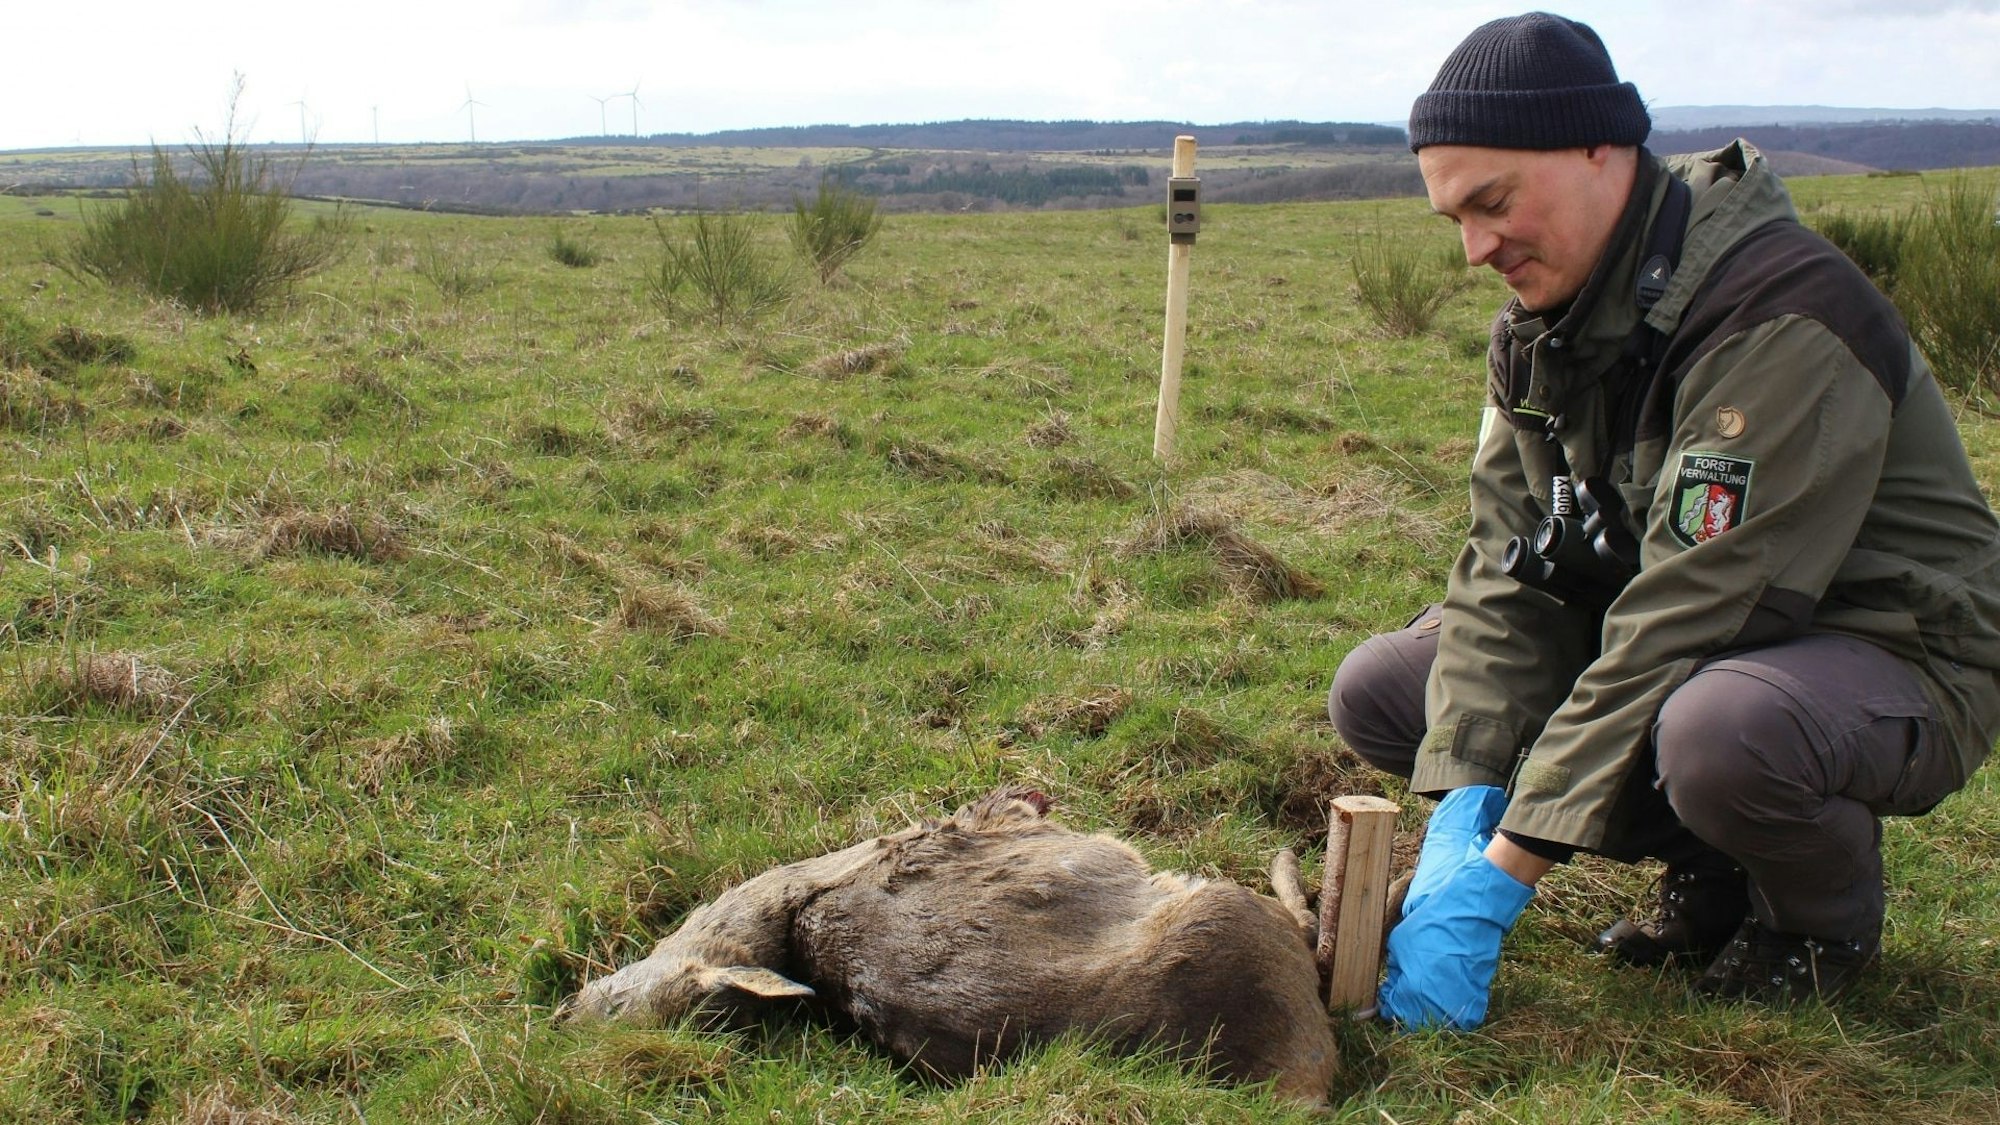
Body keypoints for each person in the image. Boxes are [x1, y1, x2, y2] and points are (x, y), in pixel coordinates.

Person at [1327, 11, 2000, 1030]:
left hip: (1889, 652)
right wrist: (1461, 796)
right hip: (1706, 639)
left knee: (1724, 732)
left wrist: (1501, 875)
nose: (1472, 251)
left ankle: (1814, 924)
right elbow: (1499, 572)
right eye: (1451, 219)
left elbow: (1698, 607)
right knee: (1391, 694)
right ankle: (1710, 870)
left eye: (1492, 203)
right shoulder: (1542, 334)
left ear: (1599, 150)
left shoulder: (1778, 315)